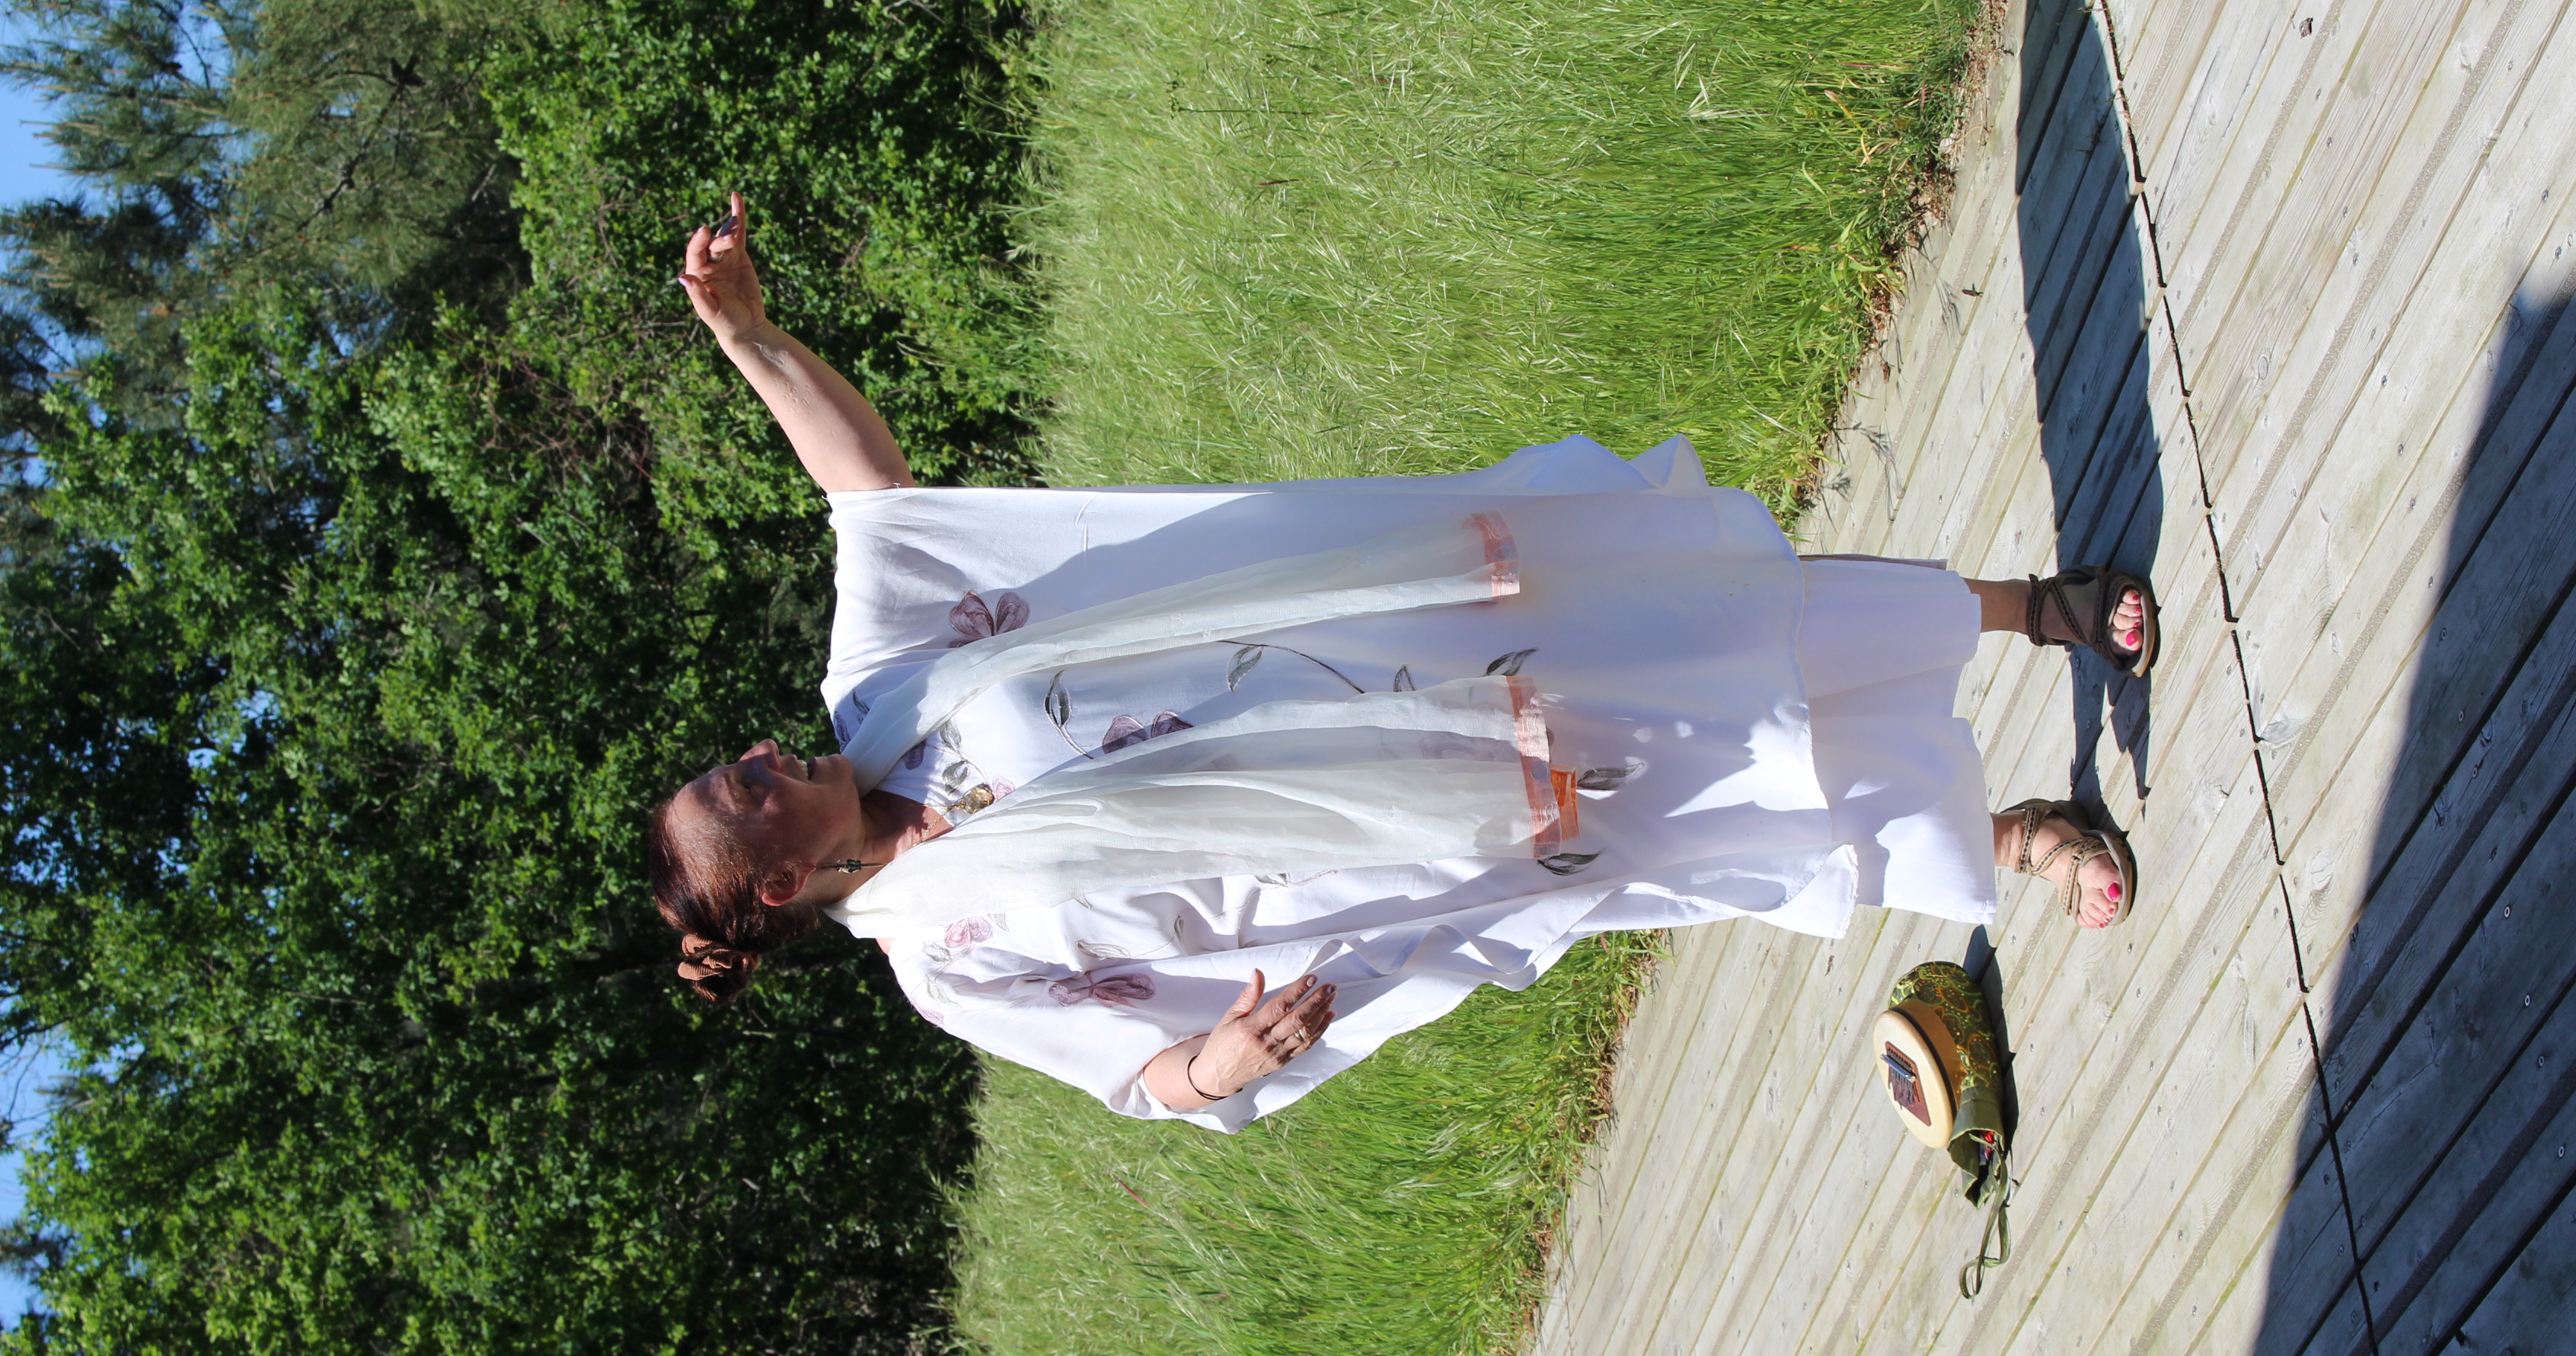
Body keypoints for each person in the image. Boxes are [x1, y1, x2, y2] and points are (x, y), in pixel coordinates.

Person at [649, 197, 2155, 1130]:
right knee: (1708, 821)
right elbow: (1135, 1077)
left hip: (1417, 628)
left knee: (1708, 622)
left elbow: (875, 504)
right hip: (1439, 816)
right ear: (778, 883)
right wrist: (1223, 1065)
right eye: (745, 788)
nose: (764, 753)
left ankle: (2034, 609)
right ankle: (2015, 837)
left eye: (739, 756)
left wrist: (750, 335)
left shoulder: (885, 689)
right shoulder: (948, 963)